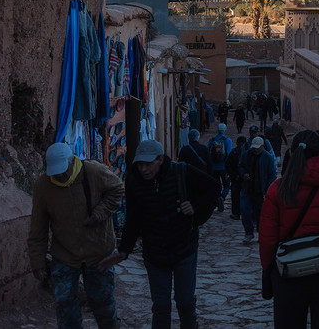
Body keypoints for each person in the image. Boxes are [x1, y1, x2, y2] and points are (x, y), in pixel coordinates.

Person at [100, 140, 219, 329]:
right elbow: (133, 218)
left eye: (148, 164)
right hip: (154, 252)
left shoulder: (181, 171)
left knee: (186, 302)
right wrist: (124, 250)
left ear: (161, 160)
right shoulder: (134, 181)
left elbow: (214, 188)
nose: (143, 169)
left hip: (184, 248)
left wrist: (195, 206)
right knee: (161, 306)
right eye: (140, 164)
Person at [259, 130, 319, 328]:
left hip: (288, 276)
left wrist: (269, 270)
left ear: (292, 154)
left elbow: (267, 239)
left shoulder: (277, 190)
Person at [28, 143, 124, 329]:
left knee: (102, 301)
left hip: (98, 250)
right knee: (64, 303)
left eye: (63, 170)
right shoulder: (43, 185)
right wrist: (37, 261)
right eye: (55, 172)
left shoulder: (94, 172)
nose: (60, 175)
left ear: (72, 162)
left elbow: (117, 189)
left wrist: (99, 213)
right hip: (65, 253)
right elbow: (38, 225)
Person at [240, 136, 276, 244]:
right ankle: (248, 233)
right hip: (248, 189)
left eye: (257, 148)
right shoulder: (246, 155)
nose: (255, 150)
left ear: (262, 147)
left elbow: (272, 175)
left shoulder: (268, 158)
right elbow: (240, 166)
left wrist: (268, 189)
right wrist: (243, 174)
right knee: (245, 211)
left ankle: (261, 234)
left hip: (261, 192)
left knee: (261, 214)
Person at [207, 123, 234, 212]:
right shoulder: (227, 140)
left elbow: (207, 152)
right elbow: (229, 153)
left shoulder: (212, 140)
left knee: (216, 185)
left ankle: (217, 200)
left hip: (214, 167)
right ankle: (222, 198)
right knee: (226, 185)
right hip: (223, 167)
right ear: (224, 130)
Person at [227, 135, 248, 220]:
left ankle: (242, 212)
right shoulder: (234, 153)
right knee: (235, 196)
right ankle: (236, 213)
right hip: (236, 178)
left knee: (243, 196)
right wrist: (234, 175)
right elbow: (228, 166)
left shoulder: (247, 153)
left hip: (243, 179)